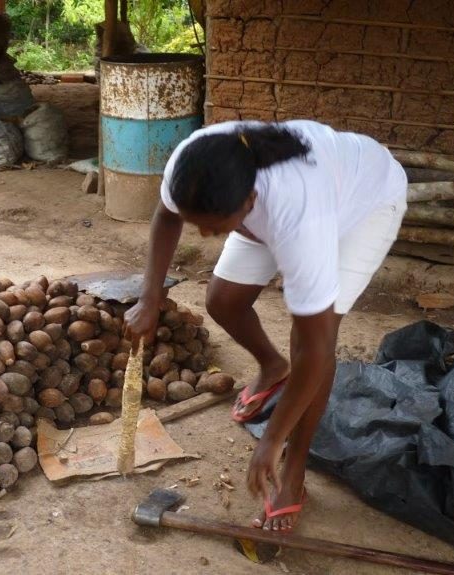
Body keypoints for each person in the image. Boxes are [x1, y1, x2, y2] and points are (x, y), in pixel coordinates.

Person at [123, 120, 407, 531]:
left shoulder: (301, 218)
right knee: (223, 299)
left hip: (364, 204)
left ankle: (293, 474)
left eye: (213, 226)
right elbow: (167, 217)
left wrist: (273, 440)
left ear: (250, 201)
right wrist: (150, 297)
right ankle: (274, 368)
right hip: (286, 199)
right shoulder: (196, 164)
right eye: (198, 222)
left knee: (312, 340)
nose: (203, 235)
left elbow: (316, 347)